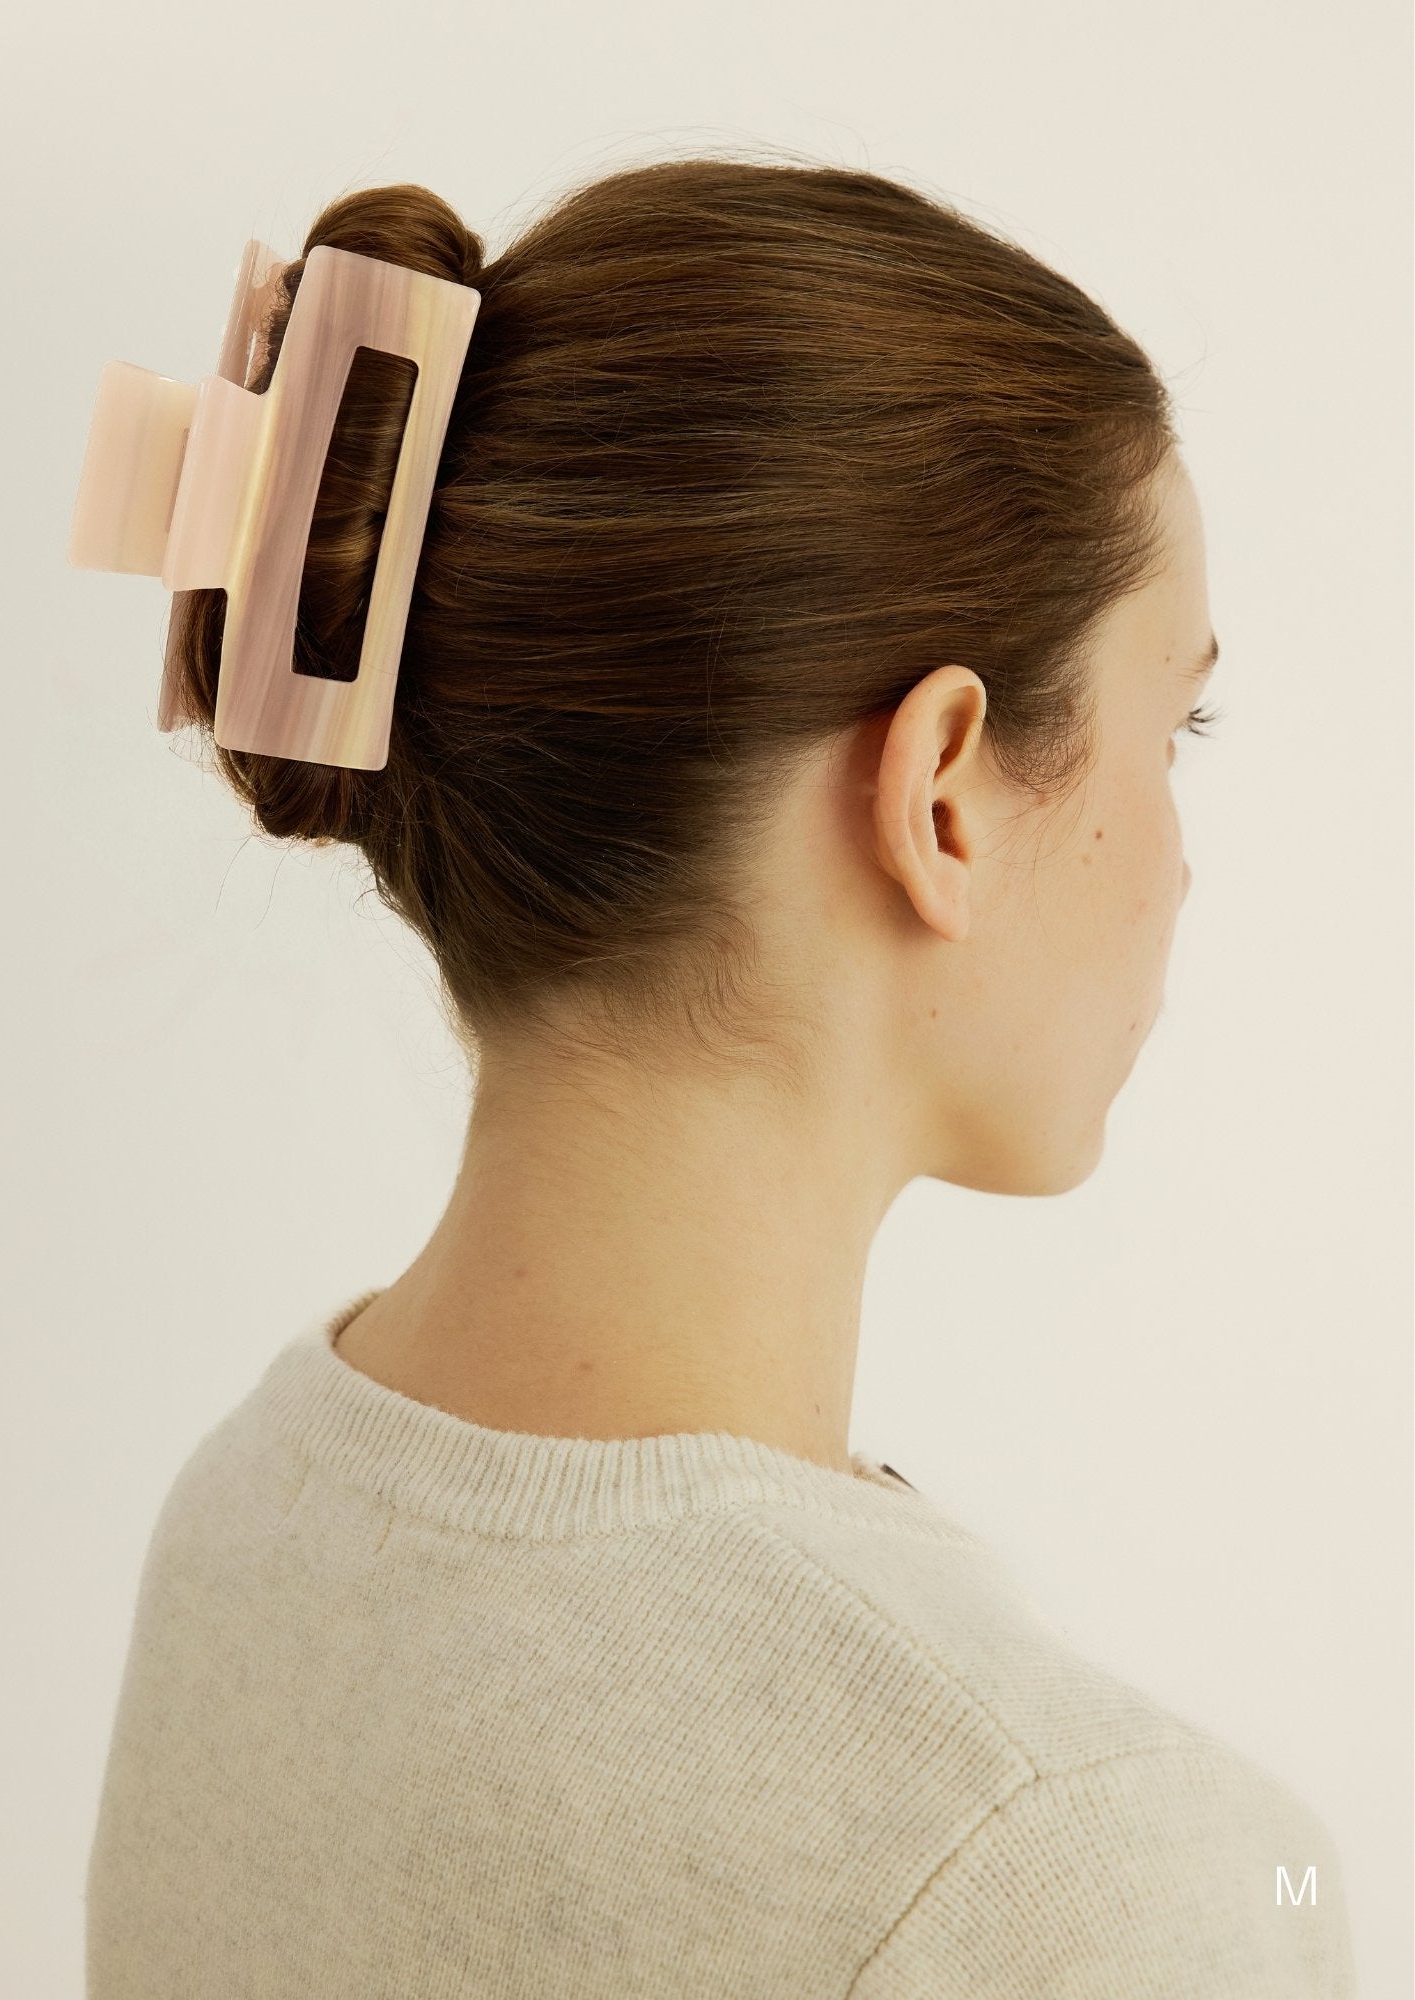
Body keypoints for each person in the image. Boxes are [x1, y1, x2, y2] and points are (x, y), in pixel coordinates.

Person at [85, 158, 1355, 1998]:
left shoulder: (253, 1511)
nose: (1180, 861)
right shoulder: (1077, 1868)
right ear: (941, 796)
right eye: (1180, 725)